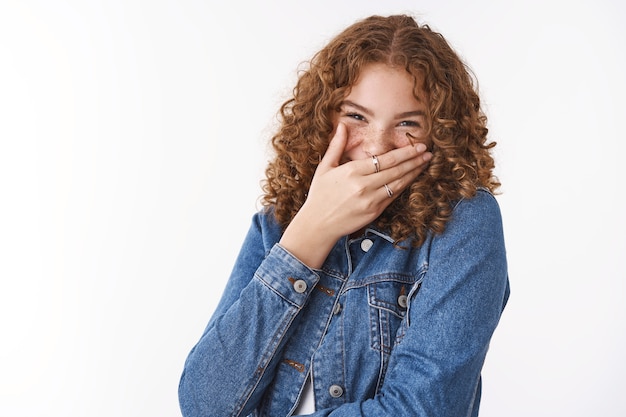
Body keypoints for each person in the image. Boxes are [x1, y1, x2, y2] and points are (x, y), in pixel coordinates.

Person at [178, 13, 510, 417]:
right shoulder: (280, 221)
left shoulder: (464, 222)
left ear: (439, 133)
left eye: (407, 124)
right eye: (356, 116)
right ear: (324, 116)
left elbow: (421, 409)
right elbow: (204, 405)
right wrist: (311, 232)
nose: (376, 147)